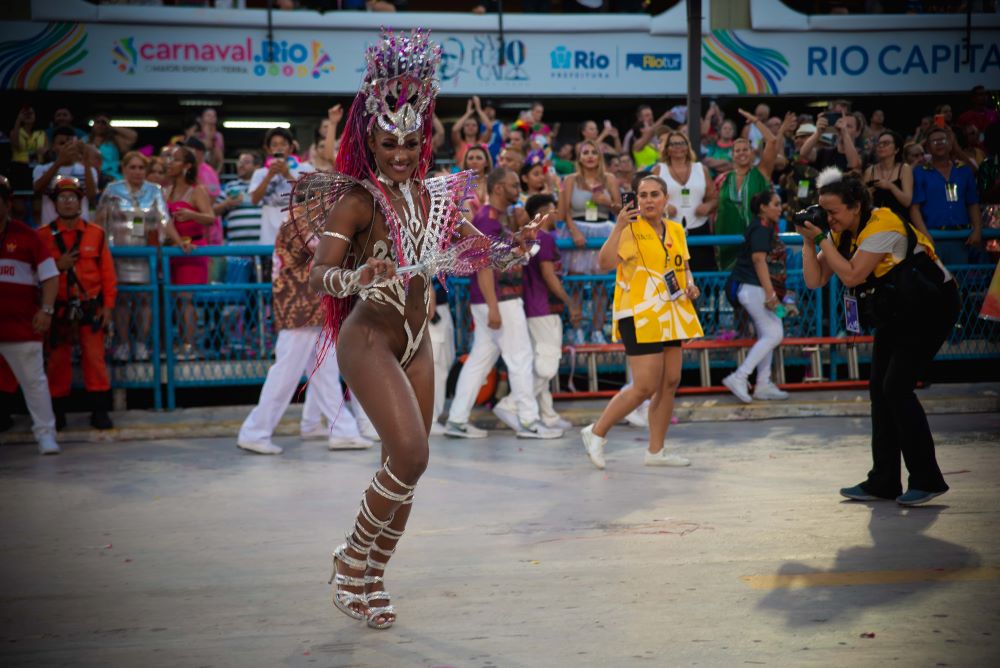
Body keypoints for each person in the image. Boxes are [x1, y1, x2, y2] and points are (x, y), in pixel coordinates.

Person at [301, 29, 540, 630]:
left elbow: (481, 252)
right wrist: (357, 279)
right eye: (389, 143)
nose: (402, 152)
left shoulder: (439, 198)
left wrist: (519, 247)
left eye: (411, 141)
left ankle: (373, 576)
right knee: (408, 450)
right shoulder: (357, 199)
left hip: (417, 340)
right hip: (370, 339)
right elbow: (318, 275)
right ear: (371, 143)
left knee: (412, 462)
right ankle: (352, 558)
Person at [796, 168, 960, 506]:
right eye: (823, 212)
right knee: (879, 391)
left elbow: (854, 275)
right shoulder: (841, 231)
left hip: (931, 306)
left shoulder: (882, 223)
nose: (827, 218)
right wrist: (808, 241)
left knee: (896, 388)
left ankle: (927, 480)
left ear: (856, 206)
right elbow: (814, 281)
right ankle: (884, 480)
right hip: (898, 310)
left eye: (832, 212)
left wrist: (824, 238)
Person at [581, 175, 703, 470]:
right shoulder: (629, 229)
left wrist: (691, 284)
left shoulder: (676, 229)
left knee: (670, 381)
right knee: (645, 385)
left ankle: (656, 452)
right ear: (636, 200)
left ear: (665, 199)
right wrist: (620, 225)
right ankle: (596, 432)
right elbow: (605, 263)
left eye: (655, 194)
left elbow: (682, 266)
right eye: (643, 195)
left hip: (672, 312)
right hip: (638, 312)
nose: (649, 200)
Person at [237, 220, 372, 455]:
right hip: (299, 309)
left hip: (311, 309)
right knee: (285, 374)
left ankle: (342, 430)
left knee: (325, 372)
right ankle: (255, 432)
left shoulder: (303, 220)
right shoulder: (299, 222)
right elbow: (324, 250)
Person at [445, 167, 560, 440]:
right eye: (511, 184)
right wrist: (494, 306)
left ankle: (457, 419)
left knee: (480, 361)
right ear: (498, 188)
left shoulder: (497, 218)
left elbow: (504, 259)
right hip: (500, 301)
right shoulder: (488, 220)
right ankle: (528, 422)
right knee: (520, 358)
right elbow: (483, 266)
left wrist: (523, 242)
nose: (516, 188)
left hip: (494, 300)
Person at [493, 193, 581, 431]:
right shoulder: (545, 238)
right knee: (547, 365)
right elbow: (549, 275)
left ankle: (548, 415)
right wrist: (570, 302)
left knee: (539, 361)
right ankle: (511, 404)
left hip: (532, 307)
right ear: (543, 212)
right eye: (553, 209)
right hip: (544, 307)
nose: (558, 213)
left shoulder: (534, 238)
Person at [37, 177, 117, 431]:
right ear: (54, 202)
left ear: (80, 202)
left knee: (95, 360)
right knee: (57, 362)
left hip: (90, 307)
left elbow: (108, 275)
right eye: (62, 197)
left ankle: (100, 412)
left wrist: (108, 307)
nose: (68, 202)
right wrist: (56, 266)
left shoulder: (97, 233)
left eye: (73, 197)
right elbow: (32, 273)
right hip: (58, 309)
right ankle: (58, 415)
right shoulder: (41, 237)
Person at [96, 151, 183, 363]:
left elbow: (164, 219)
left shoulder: (154, 190)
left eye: (141, 168)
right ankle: (123, 344)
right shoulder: (112, 189)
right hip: (118, 253)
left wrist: (179, 241)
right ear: (124, 169)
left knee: (146, 300)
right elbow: (100, 221)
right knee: (122, 300)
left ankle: (142, 343)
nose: (137, 172)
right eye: (132, 167)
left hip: (145, 254)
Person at [0, 176, 60, 454]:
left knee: (34, 383)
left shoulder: (27, 235)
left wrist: (46, 310)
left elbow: (50, 276)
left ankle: (46, 435)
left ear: (7, 204)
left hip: (22, 326)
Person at [721, 191, 790, 403]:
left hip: (753, 287)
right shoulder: (761, 228)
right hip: (753, 288)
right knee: (774, 334)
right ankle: (739, 377)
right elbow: (759, 261)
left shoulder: (763, 226)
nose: (780, 208)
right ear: (763, 208)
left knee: (767, 334)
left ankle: (762, 384)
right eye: (776, 204)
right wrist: (770, 296)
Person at [558, 139, 621, 344]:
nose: (590, 156)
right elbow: (563, 212)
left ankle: (597, 329)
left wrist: (606, 202)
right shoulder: (570, 180)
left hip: (603, 230)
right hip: (577, 231)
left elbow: (621, 210)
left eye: (594, 152)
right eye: (585, 153)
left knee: (600, 286)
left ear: (599, 156)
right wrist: (574, 231)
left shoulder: (610, 178)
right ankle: (576, 329)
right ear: (579, 157)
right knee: (575, 282)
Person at [715, 110, 791, 269]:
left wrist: (756, 121)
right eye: (738, 150)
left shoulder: (761, 172)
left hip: (758, 241)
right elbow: (715, 209)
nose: (742, 153)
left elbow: (771, 141)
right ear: (732, 155)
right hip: (728, 241)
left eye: (745, 149)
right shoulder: (722, 179)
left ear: (752, 153)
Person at [164, 146, 215, 359]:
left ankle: (189, 345)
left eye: (174, 160)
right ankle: (179, 343)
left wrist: (192, 214)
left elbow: (211, 218)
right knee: (176, 299)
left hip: (193, 250)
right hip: (172, 250)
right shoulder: (164, 191)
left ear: (186, 166)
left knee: (186, 299)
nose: (169, 163)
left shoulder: (197, 190)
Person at [909, 126, 984, 267]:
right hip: (933, 236)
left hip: (961, 237)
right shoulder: (920, 172)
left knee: (959, 284)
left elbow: (972, 203)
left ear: (950, 144)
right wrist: (925, 235)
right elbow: (914, 208)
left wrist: (978, 229)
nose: (939, 143)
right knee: (934, 284)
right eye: (934, 141)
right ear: (928, 148)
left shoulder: (964, 171)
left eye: (943, 140)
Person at [653, 130, 719, 271]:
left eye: (682, 143)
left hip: (699, 229)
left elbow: (714, 198)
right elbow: (648, 198)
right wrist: (662, 208)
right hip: (668, 230)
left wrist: (708, 206)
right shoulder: (659, 170)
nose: (678, 147)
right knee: (672, 277)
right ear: (667, 149)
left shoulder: (701, 169)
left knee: (703, 274)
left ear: (687, 147)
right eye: (673, 144)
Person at [249, 127, 316, 246]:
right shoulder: (260, 173)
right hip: (269, 238)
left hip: (298, 236)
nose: (279, 148)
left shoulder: (305, 169)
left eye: (283, 144)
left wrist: (287, 175)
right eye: (274, 145)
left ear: (291, 148)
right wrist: (269, 176)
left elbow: (310, 197)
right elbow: (254, 200)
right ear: (268, 149)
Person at [33, 127, 99, 226]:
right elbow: (37, 191)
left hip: (80, 231)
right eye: (62, 143)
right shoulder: (41, 169)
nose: (67, 147)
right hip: (51, 229)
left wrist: (86, 160)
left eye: (71, 144)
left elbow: (92, 198)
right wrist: (58, 163)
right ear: (53, 147)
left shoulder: (89, 170)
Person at [215, 151, 264, 246]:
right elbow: (212, 212)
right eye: (239, 162)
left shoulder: (265, 186)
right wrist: (226, 203)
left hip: (263, 247)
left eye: (246, 162)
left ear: (257, 166)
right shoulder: (230, 186)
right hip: (236, 248)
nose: (241, 165)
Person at [864, 131, 913, 222]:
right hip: (874, 221)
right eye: (879, 143)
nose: (881, 146)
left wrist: (891, 186)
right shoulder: (870, 171)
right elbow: (863, 202)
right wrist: (867, 195)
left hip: (898, 220)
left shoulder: (904, 169)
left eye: (886, 143)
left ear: (896, 149)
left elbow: (907, 202)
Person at [88, 112, 137, 183]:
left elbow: (133, 136)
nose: (100, 125)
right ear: (93, 124)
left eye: (103, 123)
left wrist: (111, 127)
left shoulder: (115, 140)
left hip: (112, 176)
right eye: (97, 122)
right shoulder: (85, 140)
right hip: (90, 175)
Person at [451, 96, 491, 166]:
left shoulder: (482, 142)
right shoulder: (459, 144)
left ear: (478, 128)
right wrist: (468, 113)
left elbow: (489, 128)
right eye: (467, 125)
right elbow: (455, 130)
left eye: (474, 125)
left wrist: (479, 109)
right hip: (462, 175)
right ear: (463, 128)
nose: (470, 127)